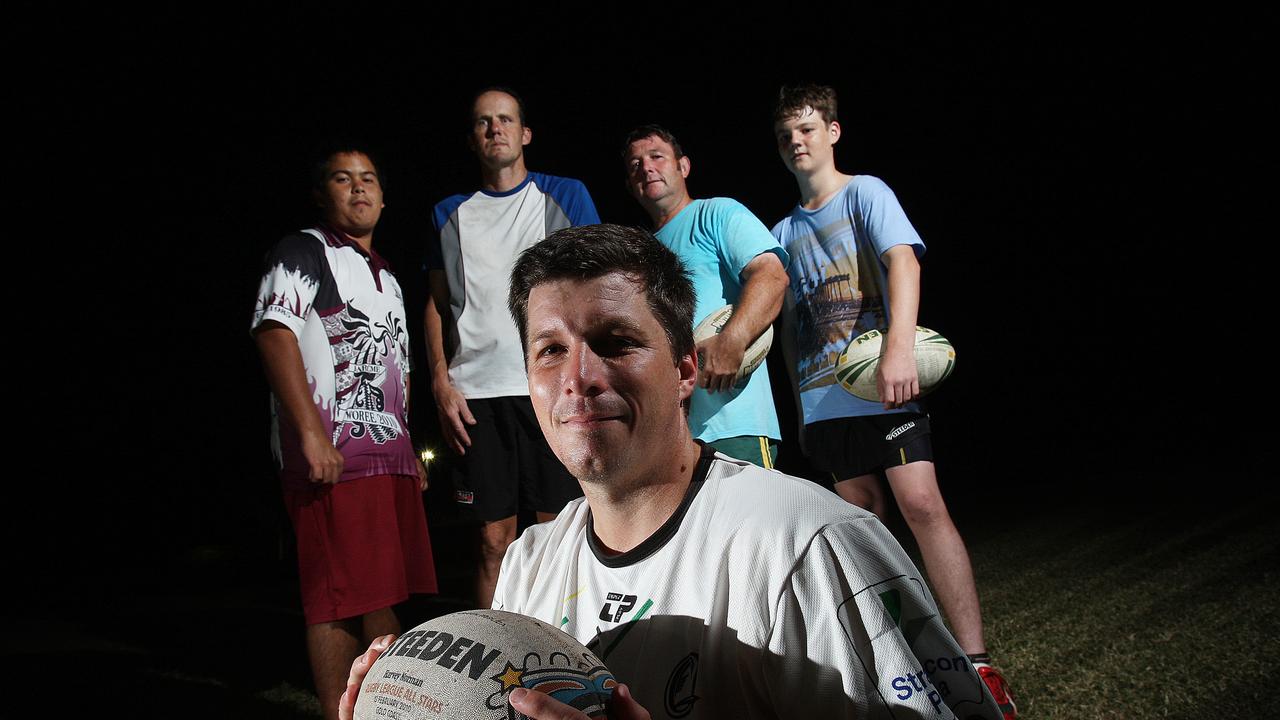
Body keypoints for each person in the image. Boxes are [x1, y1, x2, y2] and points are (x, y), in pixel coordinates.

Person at [340, 224, 1003, 720]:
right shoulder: (530, 562)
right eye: (550, 351)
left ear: (686, 368)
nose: (578, 379)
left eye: (616, 342)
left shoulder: (808, 545)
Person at [769, 84, 1017, 719]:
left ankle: (977, 664)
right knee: (868, 531)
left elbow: (903, 263)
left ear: (833, 132)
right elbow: (794, 323)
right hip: (824, 402)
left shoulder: (866, 193)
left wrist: (898, 349)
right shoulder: (782, 231)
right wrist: (800, 409)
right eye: (786, 134)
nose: (797, 141)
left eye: (807, 128)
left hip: (883, 386)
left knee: (921, 503)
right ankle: (911, 664)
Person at [252, 148, 437, 720]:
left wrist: (411, 450)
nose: (358, 189)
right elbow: (274, 333)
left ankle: (380, 710)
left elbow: (397, 367)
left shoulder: (387, 274)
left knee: (384, 597)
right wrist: (310, 434)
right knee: (334, 601)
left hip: (389, 456)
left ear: (384, 197)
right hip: (334, 458)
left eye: (369, 180)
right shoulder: (304, 250)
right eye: (342, 178)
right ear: (320, 193)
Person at [425, 87, 602, 609]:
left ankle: (563, 662)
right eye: (483, 122)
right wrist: (439, 379)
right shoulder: (447, 213)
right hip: (476, 398)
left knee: (558, 535)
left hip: (546, 386)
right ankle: (486, 676)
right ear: (472, 139)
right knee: (491, 543)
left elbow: (595, 283)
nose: (494, 129)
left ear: (525, 134)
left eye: (504, 120)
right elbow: (435, 304)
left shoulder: (565, 195)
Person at [621, 124, 789, 468]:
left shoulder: (716, 213)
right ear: (629, 184)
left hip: (733, 423)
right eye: (635, 164)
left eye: (656, 157)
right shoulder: (638, 254)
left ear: (683, 166)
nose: (646, 167)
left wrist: (734, 339)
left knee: (752, 522)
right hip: (671, 437)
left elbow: (771, 275)